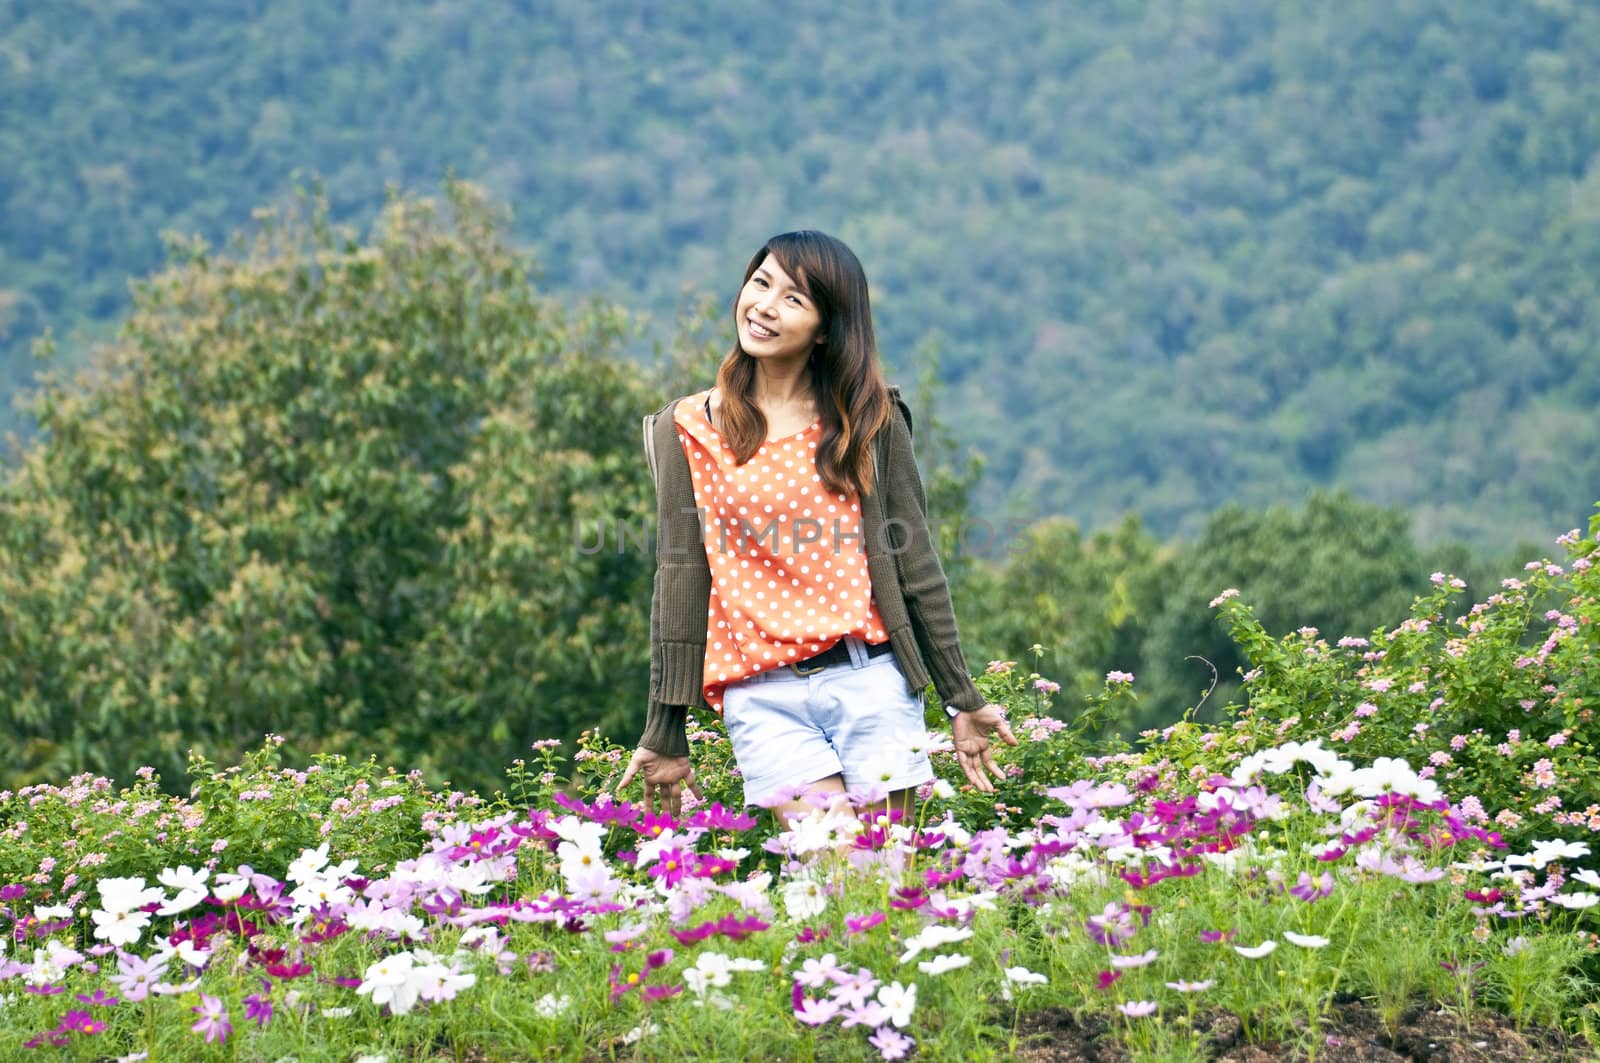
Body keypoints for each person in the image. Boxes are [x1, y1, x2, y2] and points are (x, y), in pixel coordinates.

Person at [619, 230, 1016, 824]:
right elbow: (680, 581)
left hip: (871, 681)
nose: (765, 307)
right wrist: (665, 728)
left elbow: (915, 563)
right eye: (760, 284)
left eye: (794, 299)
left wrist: (962, 696)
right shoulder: (686, 428)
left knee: (883, 883)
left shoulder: (868, 420)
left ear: (826, 328)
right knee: (831, 868)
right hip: (762, 695)